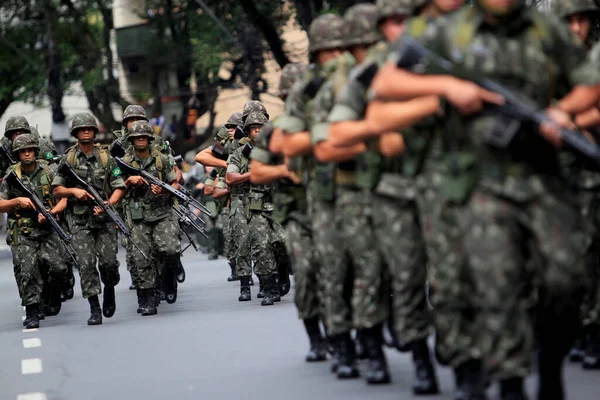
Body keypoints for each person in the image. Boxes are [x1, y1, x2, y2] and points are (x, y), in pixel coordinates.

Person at [370, 0, 600, 398]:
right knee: (497, 282)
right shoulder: (444, 31)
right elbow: (386, 84)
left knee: (566, 277)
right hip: (480, 185)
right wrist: (446, 87)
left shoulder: (546, 29)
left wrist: (563, 112)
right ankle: (508, 381)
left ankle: (549, 363)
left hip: (543, 178)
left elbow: (590, 81)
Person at [52, 113, 126, 326]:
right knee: (85, 264)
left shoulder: (106, 157)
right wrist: (74, 191)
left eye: (89, 128)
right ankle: (94, 306)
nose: (86, 131)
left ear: (94, 132)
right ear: (75, 133)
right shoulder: (69, 159)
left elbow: (119, 186)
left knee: (109, 263)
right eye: (81, 129)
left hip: (103, 219)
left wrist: (109, 204)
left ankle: (109, 287)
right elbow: (57, 189)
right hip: (79, 221)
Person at [0, 134, 70, 329]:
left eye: (30, 149)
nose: (27, 153)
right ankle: (32, 310)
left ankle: (53, 292)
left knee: (59, 268)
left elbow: (63, 199)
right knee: (28, 270)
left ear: (36, 151)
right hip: (23, 231)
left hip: (48, 229)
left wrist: (51, 212)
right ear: (17, 154)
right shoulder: (12, 176)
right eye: (23, 151)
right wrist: (16, 202)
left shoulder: (48, 172)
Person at [121, 121, 181, 315]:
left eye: (144, 137)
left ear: (149, 139)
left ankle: (169, 276)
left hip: (162, 212)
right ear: (131, 140)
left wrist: (164, 189)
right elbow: (114, 188)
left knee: (171, 249)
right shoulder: (124, 162)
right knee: (141, 257)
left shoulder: (161, 159)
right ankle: (147, 298)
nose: (140, 139)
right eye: (137, 137)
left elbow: (175, 183)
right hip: (138, 215)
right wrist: (128, 182)